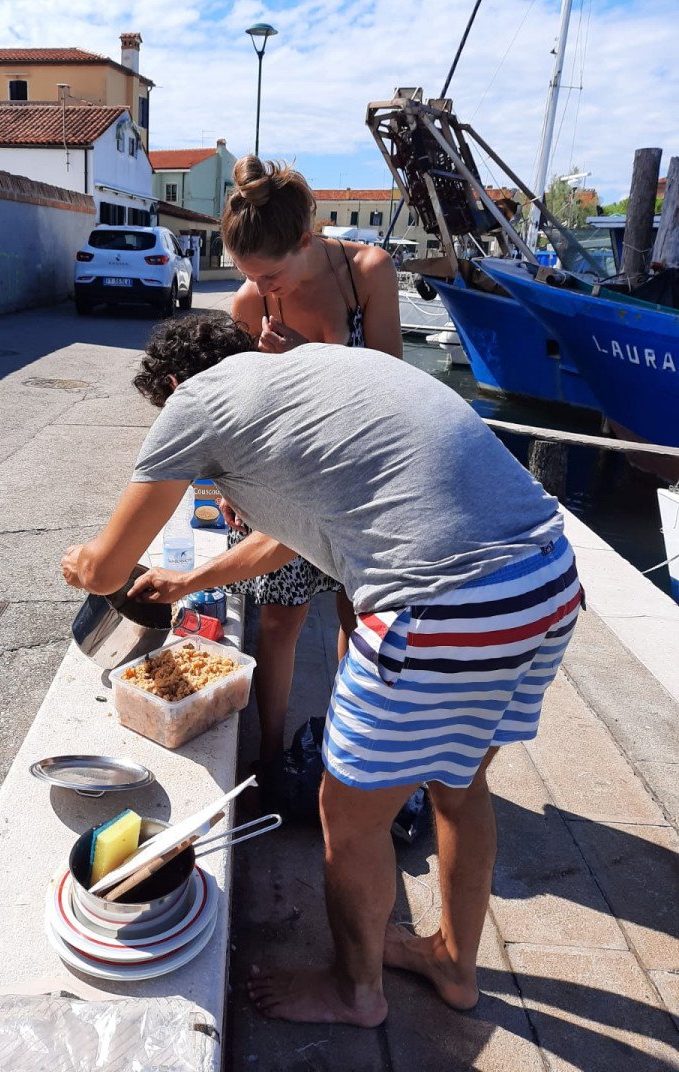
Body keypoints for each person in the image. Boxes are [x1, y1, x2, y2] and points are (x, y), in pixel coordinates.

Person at [61, 315, 582, 1028]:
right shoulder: (312, 375)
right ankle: (453, 967)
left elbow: (110, 566)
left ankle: (354, 991)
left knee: (348, 812)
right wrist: (194, 580)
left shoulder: (196, 400)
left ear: (173, 385)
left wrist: (82, 562)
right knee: (458, 786)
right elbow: (285, 535)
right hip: (545, 582)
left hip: (437, 608)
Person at [220, 156, 402, 772]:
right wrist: (233, 485)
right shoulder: (251, 303)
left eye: (271, 275)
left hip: (362, 482)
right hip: (289, 485)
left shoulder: (368, 273)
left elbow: (392, 390)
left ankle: (347, 747)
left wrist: (306, 360)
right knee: (278, 623)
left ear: (306, 240)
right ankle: (269, 758)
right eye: (249, 277)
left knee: (361, 617)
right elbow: (244, 412)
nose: (264, 291)